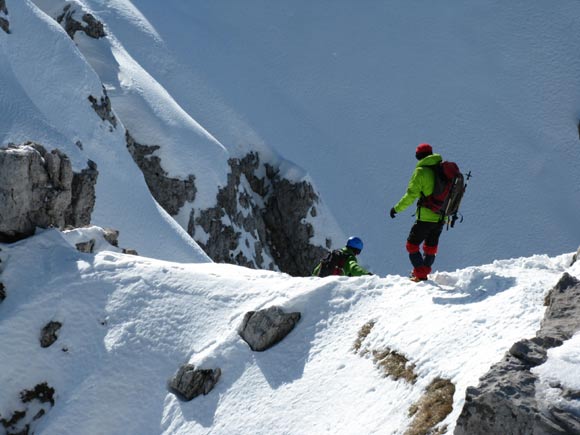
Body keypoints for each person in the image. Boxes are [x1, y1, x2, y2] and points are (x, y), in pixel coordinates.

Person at [389, 143, 445, 282]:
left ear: (419, 156)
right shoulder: (442, 168)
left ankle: (420, 275)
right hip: (441, 216)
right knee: (431, 247)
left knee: (412, 245)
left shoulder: (421, 171)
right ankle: (423, 272)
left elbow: (410, 195)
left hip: (426, 217)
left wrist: (396, 208)